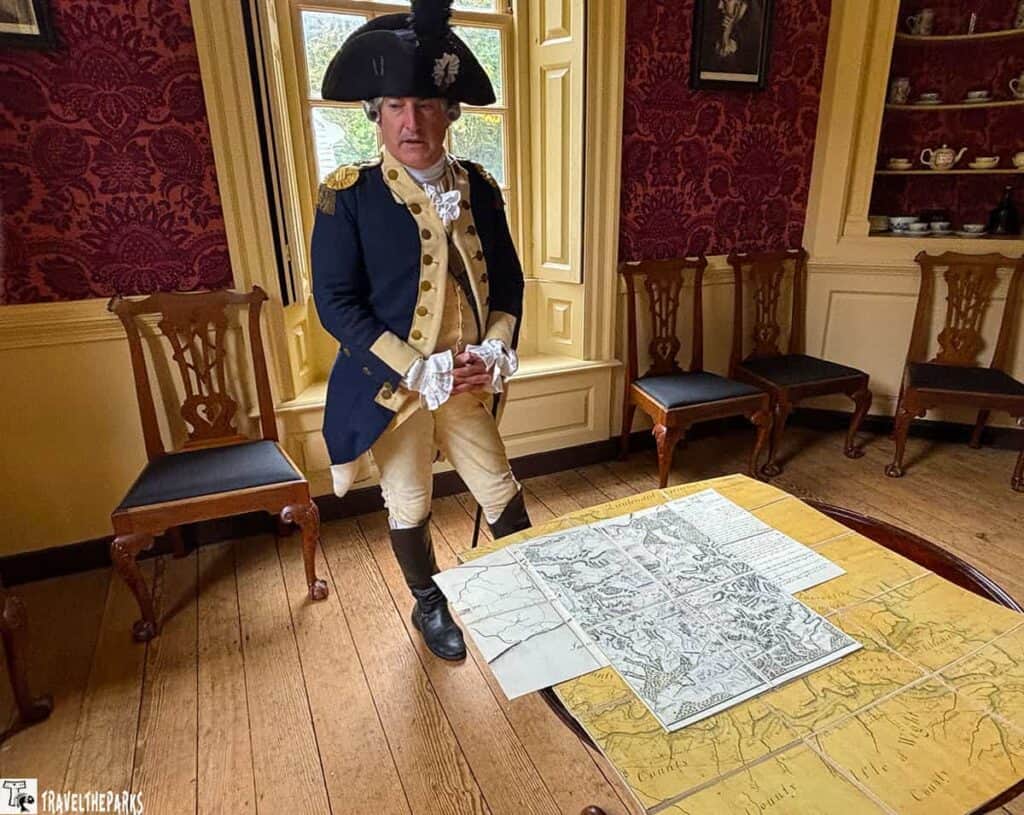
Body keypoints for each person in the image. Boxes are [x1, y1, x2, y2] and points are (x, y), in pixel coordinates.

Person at [311, 0, 531, 661]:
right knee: (408, 499)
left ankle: (525, 589)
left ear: (451, 112)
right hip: (395, 390)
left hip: (463, 380)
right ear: (375, 114)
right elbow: (335, 302)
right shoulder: (347, 194)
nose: (413, 121)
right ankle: (428, 602)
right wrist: (412, 367)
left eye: (428, 105)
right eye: (397, 106)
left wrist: (493, 350)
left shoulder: (480, 187)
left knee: (500, 485)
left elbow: (511, 284)